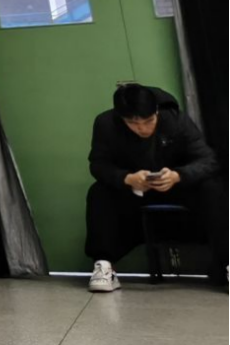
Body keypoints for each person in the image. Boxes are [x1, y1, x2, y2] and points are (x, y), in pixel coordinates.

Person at [85, 82, 226, 292]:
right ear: (122, 118)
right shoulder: (106, 123)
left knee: (213, 188)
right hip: (134, 189)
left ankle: (226, 264)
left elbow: (208, 160)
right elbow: (98, 165)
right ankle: (104, 265)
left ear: (157, 112)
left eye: (148, 121)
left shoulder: (176, 120)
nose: (142, 128)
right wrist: (126, 178)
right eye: (133, 123)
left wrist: (179, 175)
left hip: (177, 186)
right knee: (99, 192)